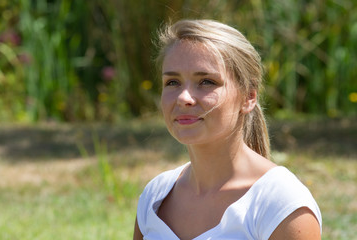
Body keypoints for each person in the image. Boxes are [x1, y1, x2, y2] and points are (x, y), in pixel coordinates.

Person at [133, 19, 322, 240]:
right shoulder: (155, 196)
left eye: (206, 81)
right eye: (173, 82)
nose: (184, 97)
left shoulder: (281, 205)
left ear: (248, 97)